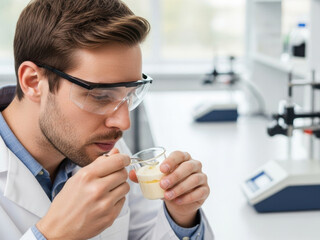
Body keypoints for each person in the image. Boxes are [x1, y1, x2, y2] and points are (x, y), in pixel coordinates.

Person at [0, 0, 214, 239]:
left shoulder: (101, 148)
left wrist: (181, 217)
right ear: (32, 82)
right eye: (101, 96)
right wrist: (51, 235)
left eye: (129, 95)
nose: (123, 123)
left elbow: (142, 233)